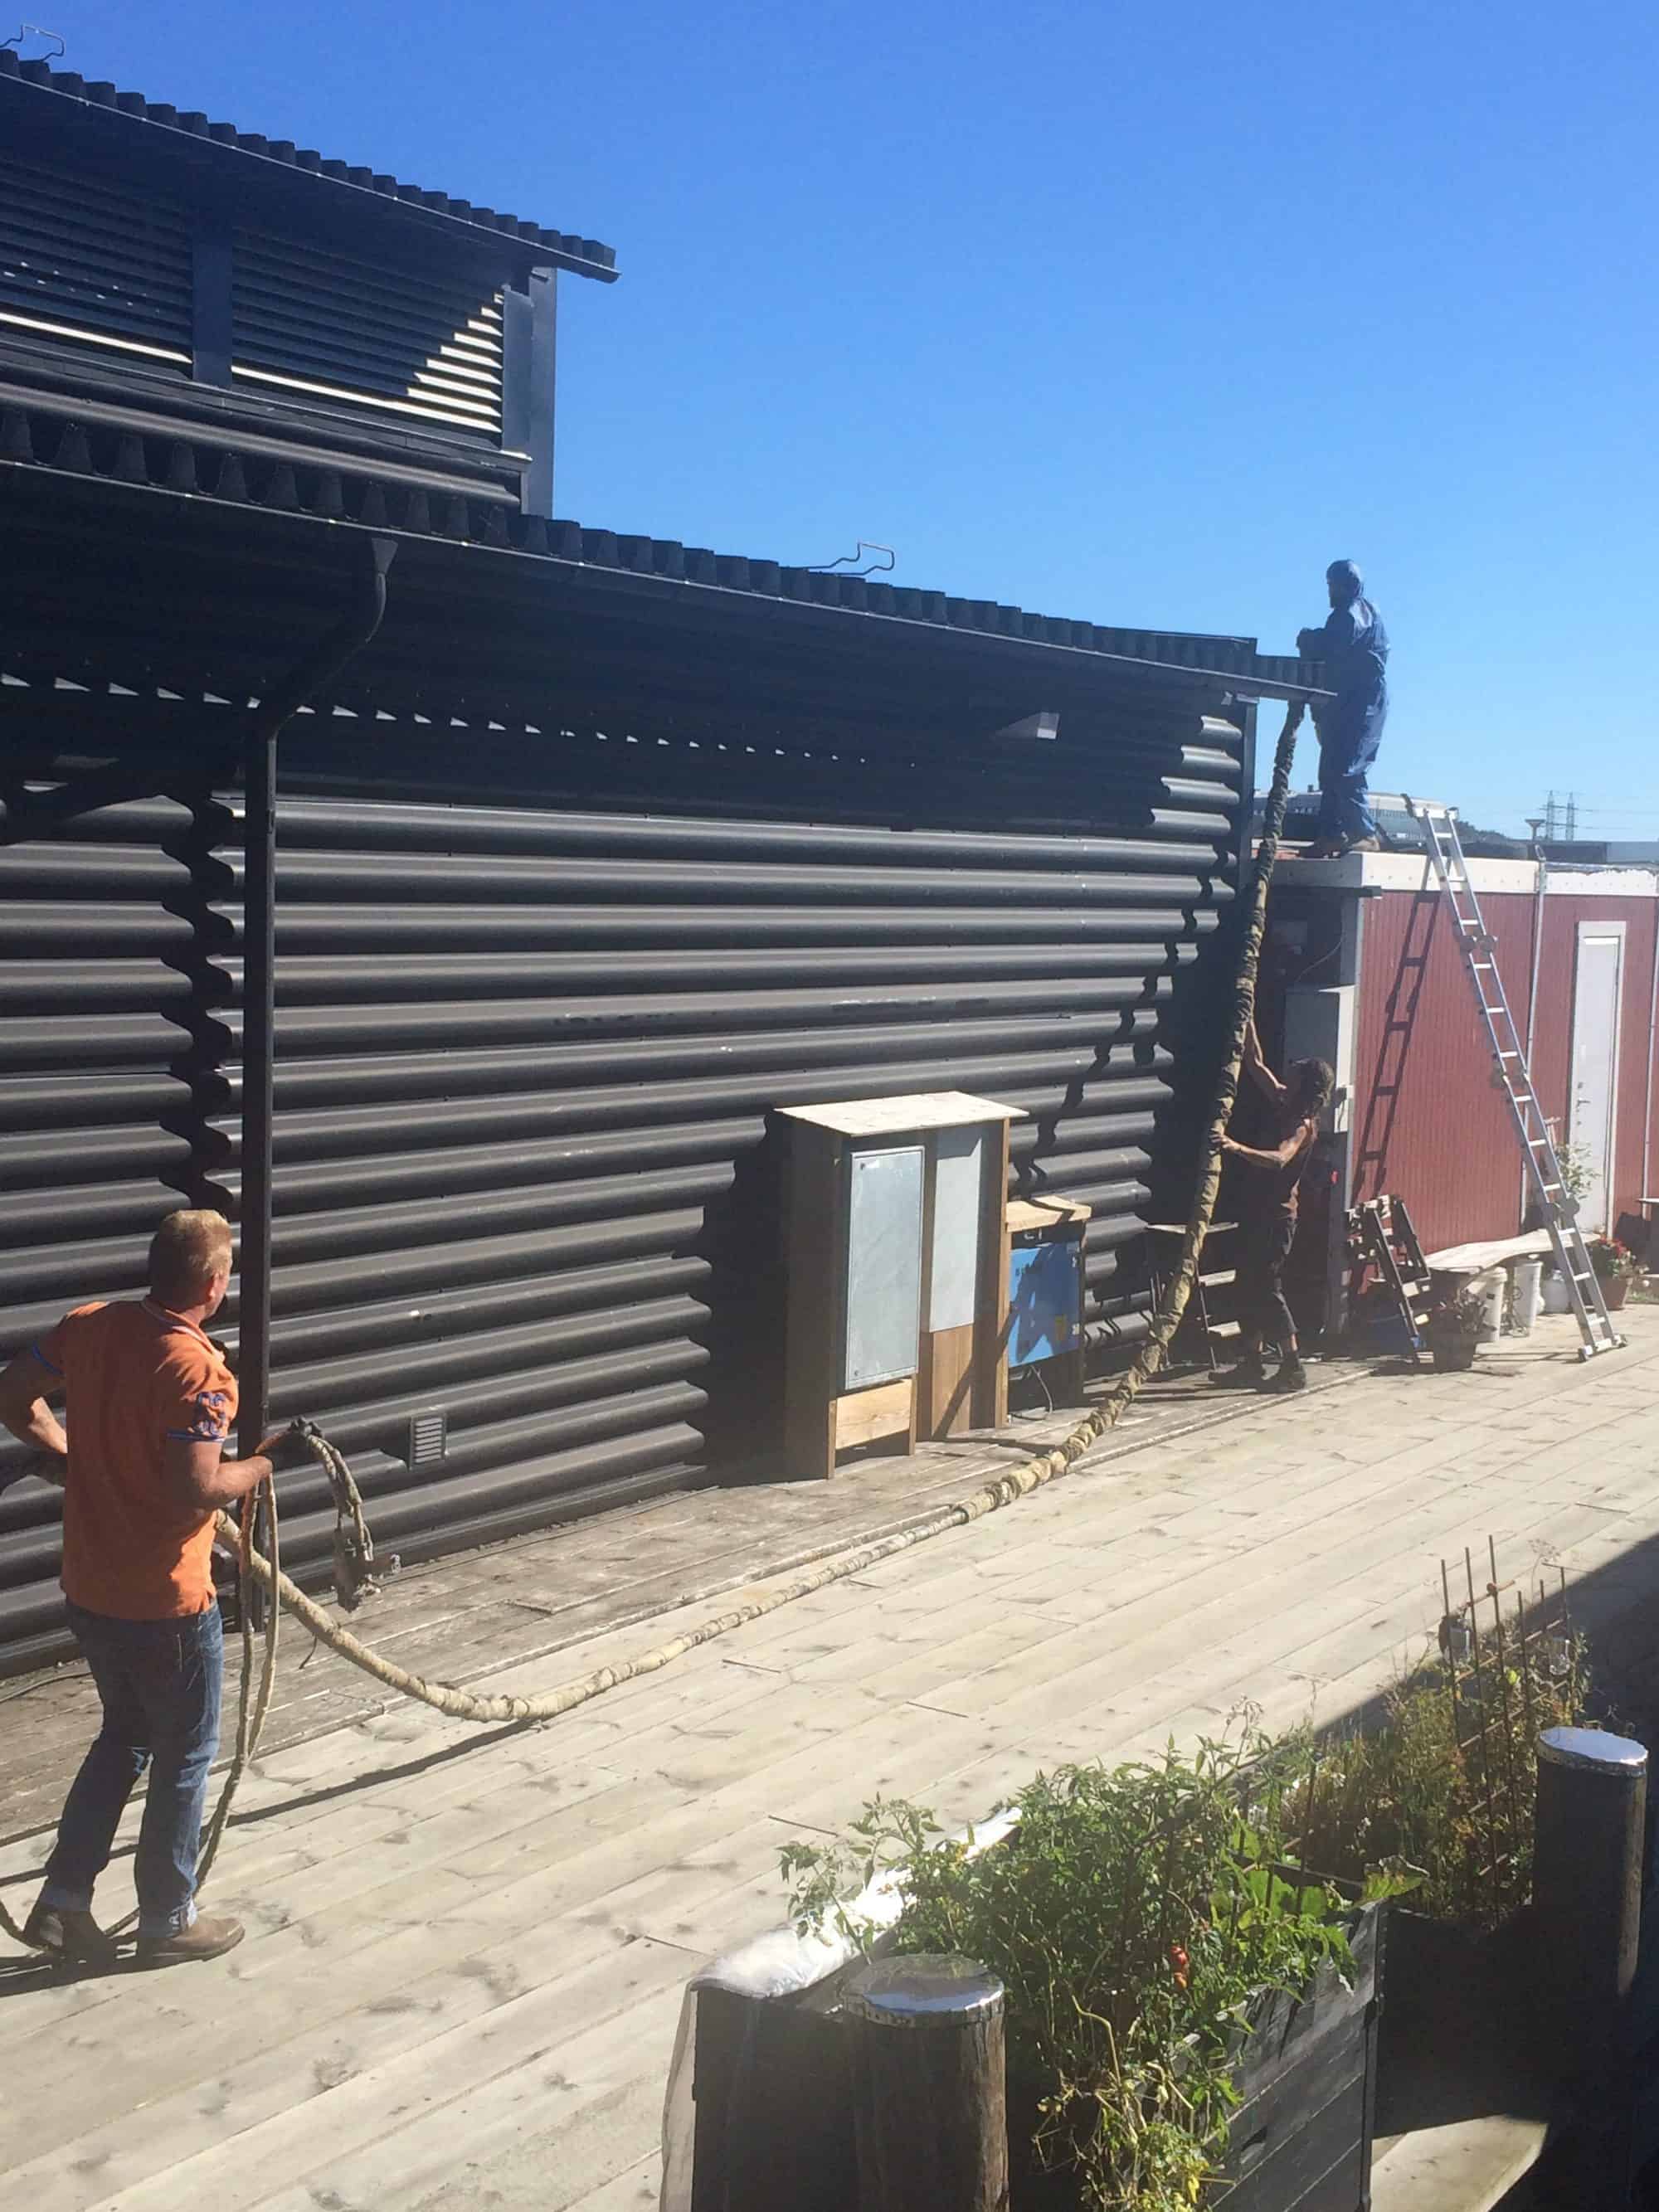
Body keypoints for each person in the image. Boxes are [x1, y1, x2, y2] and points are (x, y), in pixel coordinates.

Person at [0, 1210, 278, 1969]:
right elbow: (196, 1489)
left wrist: (70, 1451)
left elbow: (13, 1391)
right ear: (216, 1287)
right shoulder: (200, 1372)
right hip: (167, 1602)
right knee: (186, 1751)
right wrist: (256, 1468)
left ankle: (62, 1903)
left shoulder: (88, 1325)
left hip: (90, 1588)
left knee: (124, 1736)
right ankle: (166, 1918)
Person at [1212, 1023, 1335, 1394]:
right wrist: (1248, 1018)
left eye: (1296, 1071)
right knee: (1246, 1285)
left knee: (1267, 1287)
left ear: (1306, 1085)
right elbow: (1254, 1061)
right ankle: (1251, 1362)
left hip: (1277, 1217)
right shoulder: (1285, 1100)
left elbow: (1280, 1160)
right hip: (1257, 1210)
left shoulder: (1301, 1125)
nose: (1289, 1072)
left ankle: (1292, 1365)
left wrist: (1234, 1147)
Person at [1297, 559, 1389, 859]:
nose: (1331, 591)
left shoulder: (1356, 612)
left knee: (1348, 767)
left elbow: (1335, 644)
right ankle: (1332, 834)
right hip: (1343, 701)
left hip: (1363, 703)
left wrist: (1310, 639)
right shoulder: (1346, 613)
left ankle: (1363, 833)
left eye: (1334, 585)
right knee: (1330, 770)